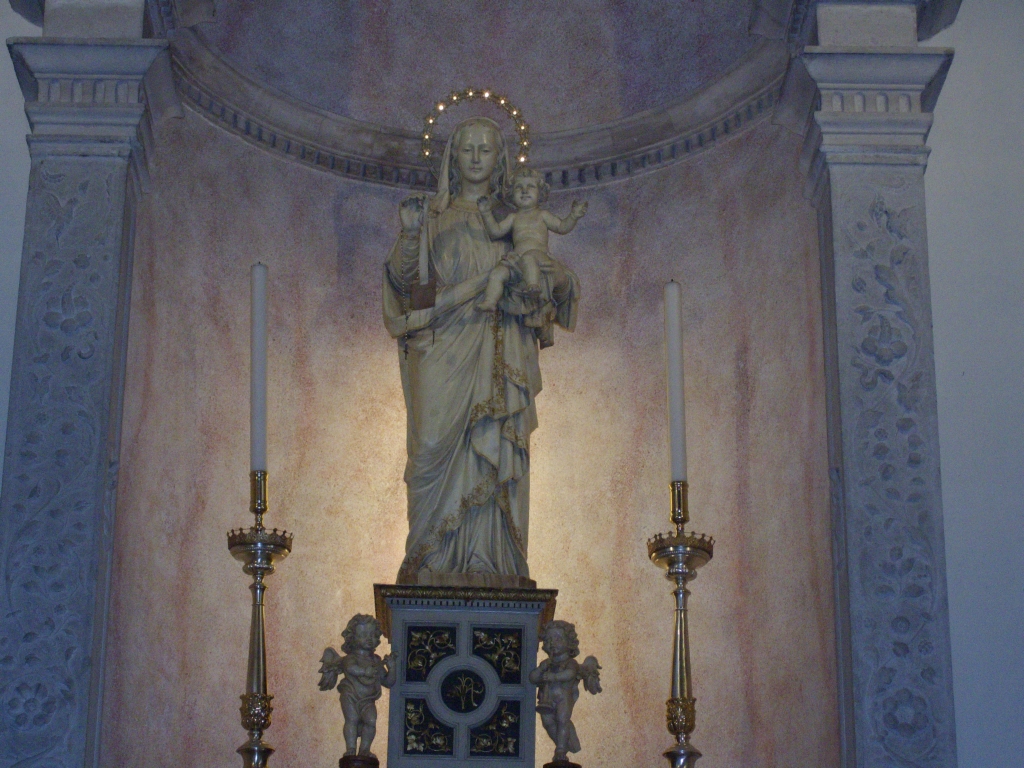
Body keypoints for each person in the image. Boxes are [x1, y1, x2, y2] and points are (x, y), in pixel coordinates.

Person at [382, 117, 580, 586]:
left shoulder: (515, 220)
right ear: (452, 157)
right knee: (430, 447)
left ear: (500, 160)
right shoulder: (433, 217)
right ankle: (430, 558)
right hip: (440, 350)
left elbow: (552, 280)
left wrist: (550, 282)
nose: (475, 158)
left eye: (485, 150)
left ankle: (490, 561)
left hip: (499, 349)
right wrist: (410, 235)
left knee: (493, 442)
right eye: (467, 149)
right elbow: (411, 294)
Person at [475, 168, 587, 335]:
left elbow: (562, 227)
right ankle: (490, 301)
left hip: (538, 256)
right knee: (498, 273)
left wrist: (574, 216)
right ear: (511, 195)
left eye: (530, 187)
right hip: (517, 259)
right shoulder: (513, 217)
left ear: (540, 194)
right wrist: (485, 213)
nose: (524, 191)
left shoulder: (542, 215)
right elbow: (495, 232)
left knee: (529, 259)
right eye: (519, 187)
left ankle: (533, 287)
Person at [318, 615, 398, 759]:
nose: (369, 639)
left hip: (368, 699)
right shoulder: (351, 658)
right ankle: (351, 748)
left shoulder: (376, 661)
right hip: (351, 695)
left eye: (372, 635)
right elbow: (350, 668)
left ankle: (364, 750)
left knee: (371, 721)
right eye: (363, 635)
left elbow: (388, 682)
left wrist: (392, 668)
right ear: (352, 638)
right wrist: (365, 671)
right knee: (352, 720)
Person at [529, 620, 602, 764]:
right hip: (546, 700)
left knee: (562, 721)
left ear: (569, 643)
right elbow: (533, 678)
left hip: (563, 698)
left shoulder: (570, 662)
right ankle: (564, 743)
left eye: (557, 638)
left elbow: (570, 674)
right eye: (549, 639)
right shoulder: (547, 664)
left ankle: (561, 750)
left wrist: (554, 677)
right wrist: (541, 669)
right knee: (547, 723)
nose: (552, 643)